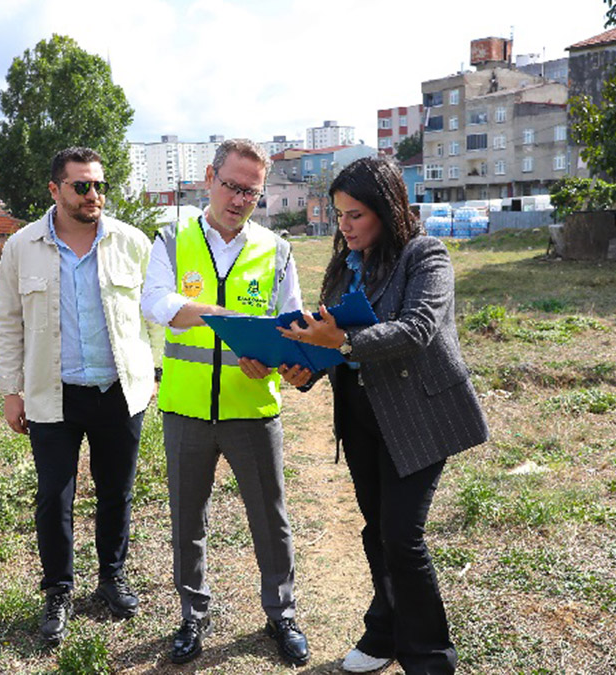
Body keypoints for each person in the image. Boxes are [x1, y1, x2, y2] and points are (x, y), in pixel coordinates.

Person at [277, 156, 489, 674]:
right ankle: (385, 632)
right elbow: (331, 339)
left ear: (387, 209)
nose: (344, 226)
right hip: (360, 415)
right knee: (377, 531)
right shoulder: (345, 264)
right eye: (339, 214)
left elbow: (418, 329)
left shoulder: (425, 255)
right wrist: (306, 369)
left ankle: (430, 658)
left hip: (418, 416)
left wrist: (343, 342)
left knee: (401, 537)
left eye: (356, 215)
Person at [140, 138, 310, 666]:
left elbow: (292, 323)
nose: (239, 200)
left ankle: (281, 613)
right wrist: (217, 315)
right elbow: (155, 302)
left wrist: (276, 359)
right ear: (210, 179)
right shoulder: (173, 238)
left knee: (270, 520)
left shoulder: (275, 249)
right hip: (187, 409)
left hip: (252, 411)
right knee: (187, 520)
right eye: (232, 186)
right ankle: (192, 615)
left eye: (251, 192)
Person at [0, 146, 154, 646]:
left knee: (117, 492)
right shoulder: (22, 246)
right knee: (53, 497)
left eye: (99, 185)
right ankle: (58, 590)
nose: (93, 195)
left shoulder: (131, 242)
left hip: (118, 391)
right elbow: (7, 321)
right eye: (82, 186)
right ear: (55, 189)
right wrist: (11, 391)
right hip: (52, 394)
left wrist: (156, 371)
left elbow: (156, 312)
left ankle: (111, 579)